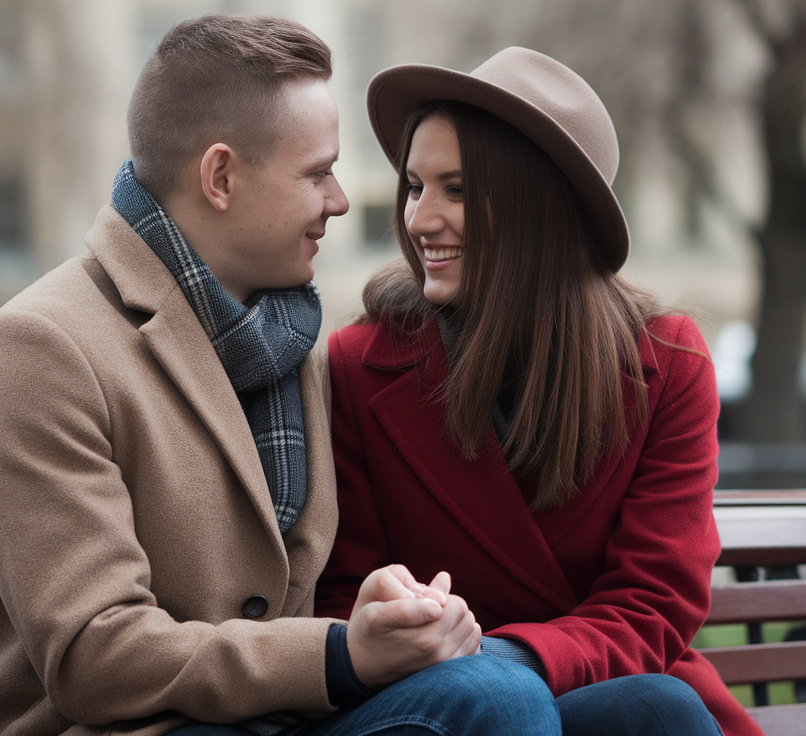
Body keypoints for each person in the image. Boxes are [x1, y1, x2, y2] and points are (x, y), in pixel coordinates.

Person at [0, 17, 558, 736]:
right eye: (316, 173)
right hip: (135, 728)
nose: (338, 199)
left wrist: (375, 611)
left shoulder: (285, 339)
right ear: (220, 177)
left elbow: (294, 604)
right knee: (497, 699)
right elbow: (95, 655)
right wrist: (339, 652)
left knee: (649, 707)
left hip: (278, 719)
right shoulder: (38, 347)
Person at [316, 47, 767, 736]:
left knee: (663, 708)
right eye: (415, 186)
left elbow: (653, 604)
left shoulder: (666, 362)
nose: (420, 219)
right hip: (438, 703)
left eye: (457, 190)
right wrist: (399, 625)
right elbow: (343, 593)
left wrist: (503, 654)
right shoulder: (358, 365)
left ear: (538, 205)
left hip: (593, 680)